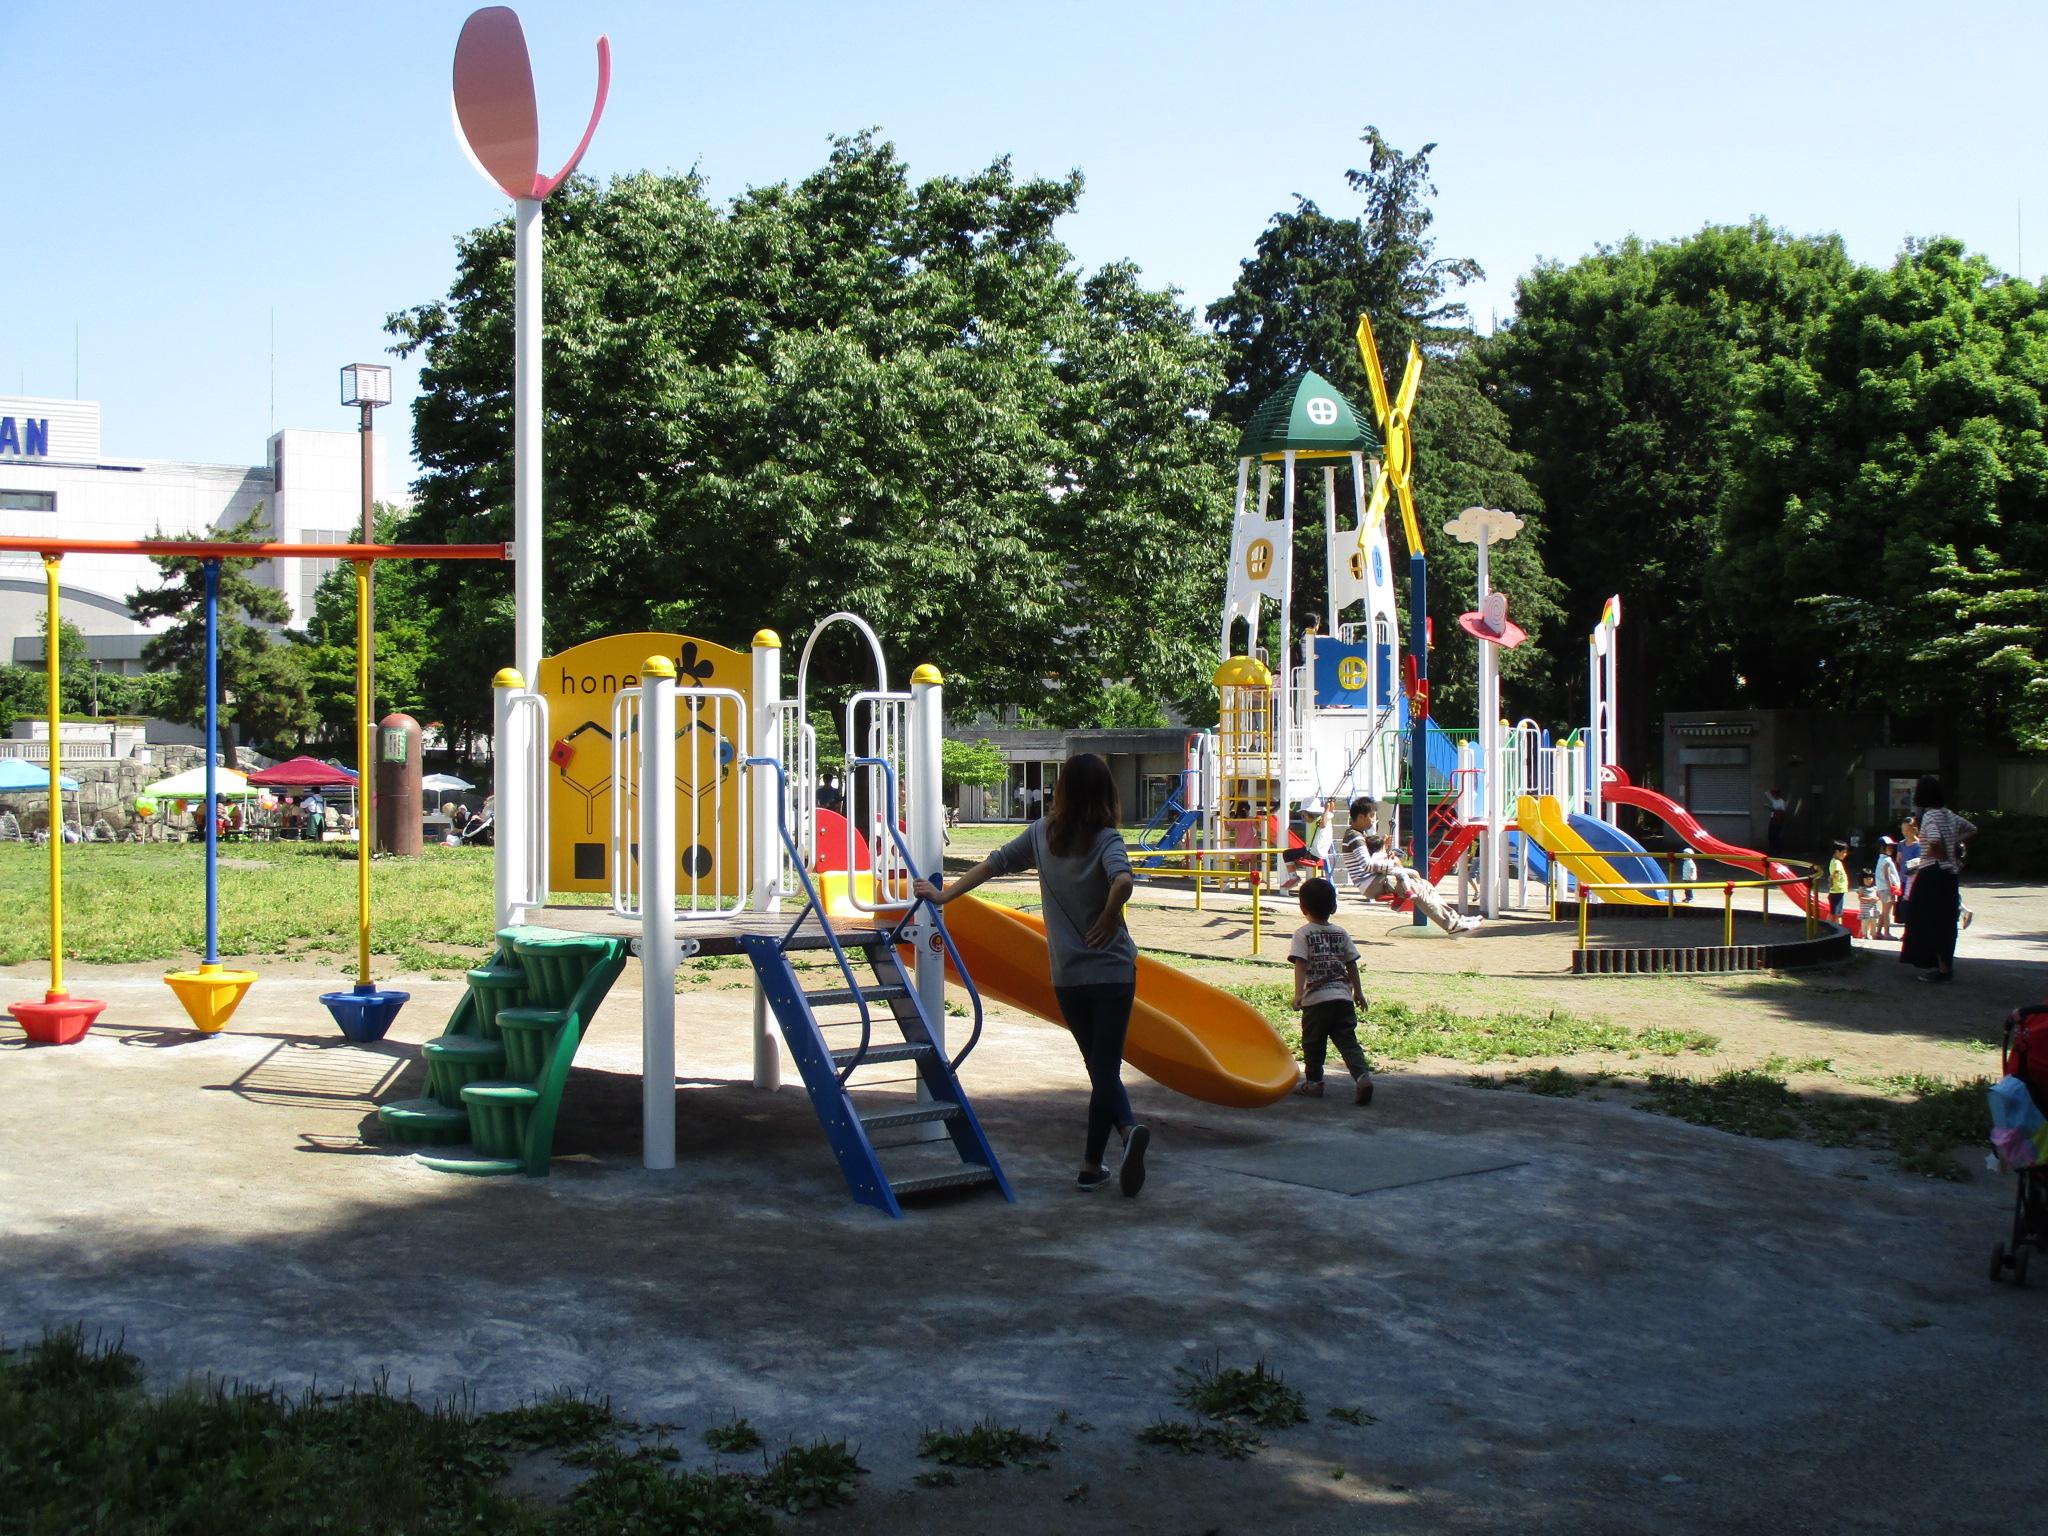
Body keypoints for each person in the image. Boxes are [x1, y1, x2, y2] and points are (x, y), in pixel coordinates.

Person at [913, 753, 1149, 1195]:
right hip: (1113, 971)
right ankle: (1094, 1160)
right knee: (1105, 1067)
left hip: (1068, 976)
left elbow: (992, 863)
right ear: (1107, 793)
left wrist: (944, 897)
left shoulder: (1043, 834)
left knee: (1098, 1067)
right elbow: (1124, 881)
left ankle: (1120, 1138)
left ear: (1061, 791)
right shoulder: (1107, 839)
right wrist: (1109, 918)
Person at [1287, 878, 1374, 1105]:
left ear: (1302, 908)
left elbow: (1301, 964)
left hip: (1317, 1000)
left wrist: (1298, 994)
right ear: (1334, 908)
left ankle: (1314, 1083)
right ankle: (1362, 1076)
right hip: (1342, 997)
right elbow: (1352, 963)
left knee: (1313, 1043)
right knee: (1348, 1042)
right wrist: (1358, 992)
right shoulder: (1341, 932)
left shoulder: (1303, 934)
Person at [1898, 776, 1975, 983]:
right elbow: (1971, 828)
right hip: (1950, 874)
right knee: (1947, 920)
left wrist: (1941, 853)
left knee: (1926, 919)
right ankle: (1945, 967)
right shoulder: (1948, 815)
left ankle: (1935, 965)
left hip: (1932, 872)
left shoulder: (1930, 817)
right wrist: (1953, 847)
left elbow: (1933, 840)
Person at [1351, 833, 1478, 935]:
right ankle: (1451, 925)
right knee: (1418, 890)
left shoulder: (1370, 847)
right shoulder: (1363, 847)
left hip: (1380, 878)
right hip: (1373, 882)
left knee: (1425, 884)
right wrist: (1393, 862)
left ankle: (1455, 918)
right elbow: (1375, 866)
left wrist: (1389, 853)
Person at [1873, 836, 1902, 940]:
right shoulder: (1887, 860)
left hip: (1882, 888)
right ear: (1882, 848)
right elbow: (1887, 876)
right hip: (1887, 889)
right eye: (1888, 847)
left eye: (1891, 847)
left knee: (1884, 911)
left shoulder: (1881, 859)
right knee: (1887, 912)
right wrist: (1891, 891)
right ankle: (1887, 933)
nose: (1891, 849)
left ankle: (1878, 932)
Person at [1826, 840, 1850, 922]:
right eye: (1843, 852)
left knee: (1836, 912)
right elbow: (1835, 874)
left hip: (1837, 891)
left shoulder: (1834, 861)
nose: (1845, 855)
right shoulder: (1837, 862)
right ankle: (1834, 928)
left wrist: (1831, 881)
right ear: (1837, 852)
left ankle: (1836, 928)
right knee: (1835, 913)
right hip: (1837, 891)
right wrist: (1831, 880)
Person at [1767, 789, 1787, 854]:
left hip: (1778, 820)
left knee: (1776, 835)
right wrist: (1771, 790)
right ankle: (1772, 848)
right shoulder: (1774, 800)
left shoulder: (1781, 802)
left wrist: (1775, 812)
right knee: (1770, 835)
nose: (1773, 795)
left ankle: (1777, 849)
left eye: (1775, 794)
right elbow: (1767, 794)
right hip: (1773, 818)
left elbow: (1782, 812)